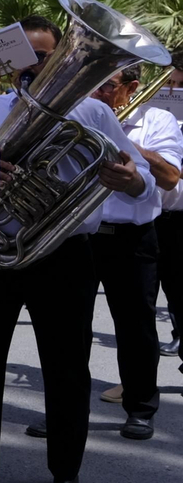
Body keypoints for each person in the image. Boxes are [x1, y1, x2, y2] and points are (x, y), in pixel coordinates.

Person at [0, 15, 158, 483]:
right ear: (8, 64)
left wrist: (130, 181)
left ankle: (65, 471)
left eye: (46, 55)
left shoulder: (95, 114)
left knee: (67, 367)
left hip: (65, 254)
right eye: (25, 56)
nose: (35, 66)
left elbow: (145, 188)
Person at [86, 64, 180, 435]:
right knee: (67, 326)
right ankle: (66, 409)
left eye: (105, 87)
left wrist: (118, 139)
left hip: (131, 235)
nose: (94, 94)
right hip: (80, 233)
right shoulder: (78, 113)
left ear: (132, 87)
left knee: (135, 325)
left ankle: (140, 406)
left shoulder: (158, 120)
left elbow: (172, 176)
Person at [160, 66, 183, 360]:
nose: (172, 90)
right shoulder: (160, 120)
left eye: (180, 84)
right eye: (170, 83)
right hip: (155, 215)